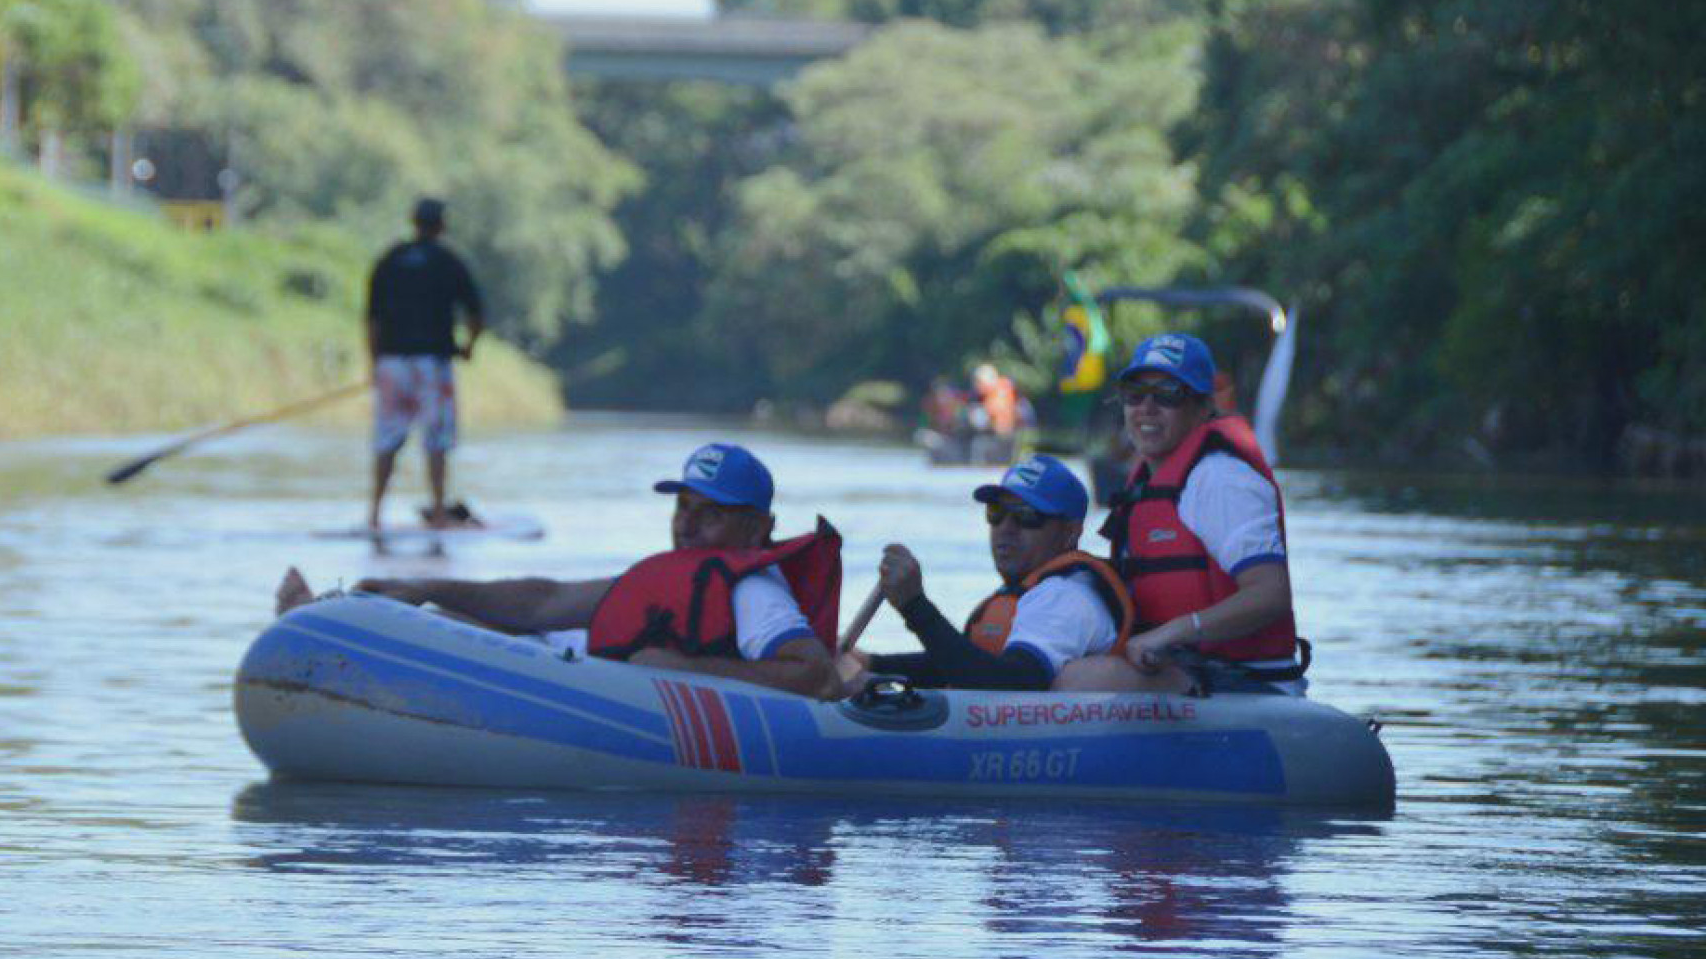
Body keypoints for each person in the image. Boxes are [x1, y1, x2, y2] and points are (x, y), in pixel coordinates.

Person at [277, 443, 844, 700]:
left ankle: (322, 623)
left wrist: (685, 668)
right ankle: (329, 616)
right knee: (448, 613)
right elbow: (543, 601)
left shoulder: (753, 592)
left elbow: (815, 676)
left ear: (755, 529)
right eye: (683, 507)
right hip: (569, 656)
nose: (687, 526)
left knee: (460, 630)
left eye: (711, 514)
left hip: (578, 681)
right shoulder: (682, 575)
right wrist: (421, 586)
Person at [1056, 332, 1308, 696]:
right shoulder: (1147, 481)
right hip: (1188, 671)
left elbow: (1270, 595)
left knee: (1076, 680)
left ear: (1203, 407)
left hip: (1251, 685)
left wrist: (1174, 632)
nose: (1147, 408)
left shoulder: (1221, 479)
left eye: (1168, 394)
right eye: (1135, 394)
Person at [841, 455, 1131, 691]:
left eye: (1026, 515)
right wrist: (870, 664)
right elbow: (962, 665)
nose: (1006, 527)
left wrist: (915, 607)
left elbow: (1007, 687)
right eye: (996, 512)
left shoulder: (1067, 596)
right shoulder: (1028, 591)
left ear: (1069, 534)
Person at [365, 196, 486, 532]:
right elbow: (476, 314)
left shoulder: (390, 260)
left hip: (392, 363)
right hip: (433, 365)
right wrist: (468, 347)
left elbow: (372, 319)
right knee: (436, 439)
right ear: (441, 225)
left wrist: (375, 364)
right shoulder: (449, 261)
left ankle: (374, 514)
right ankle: (437, 513)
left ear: (413, 221)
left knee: (387, 438)